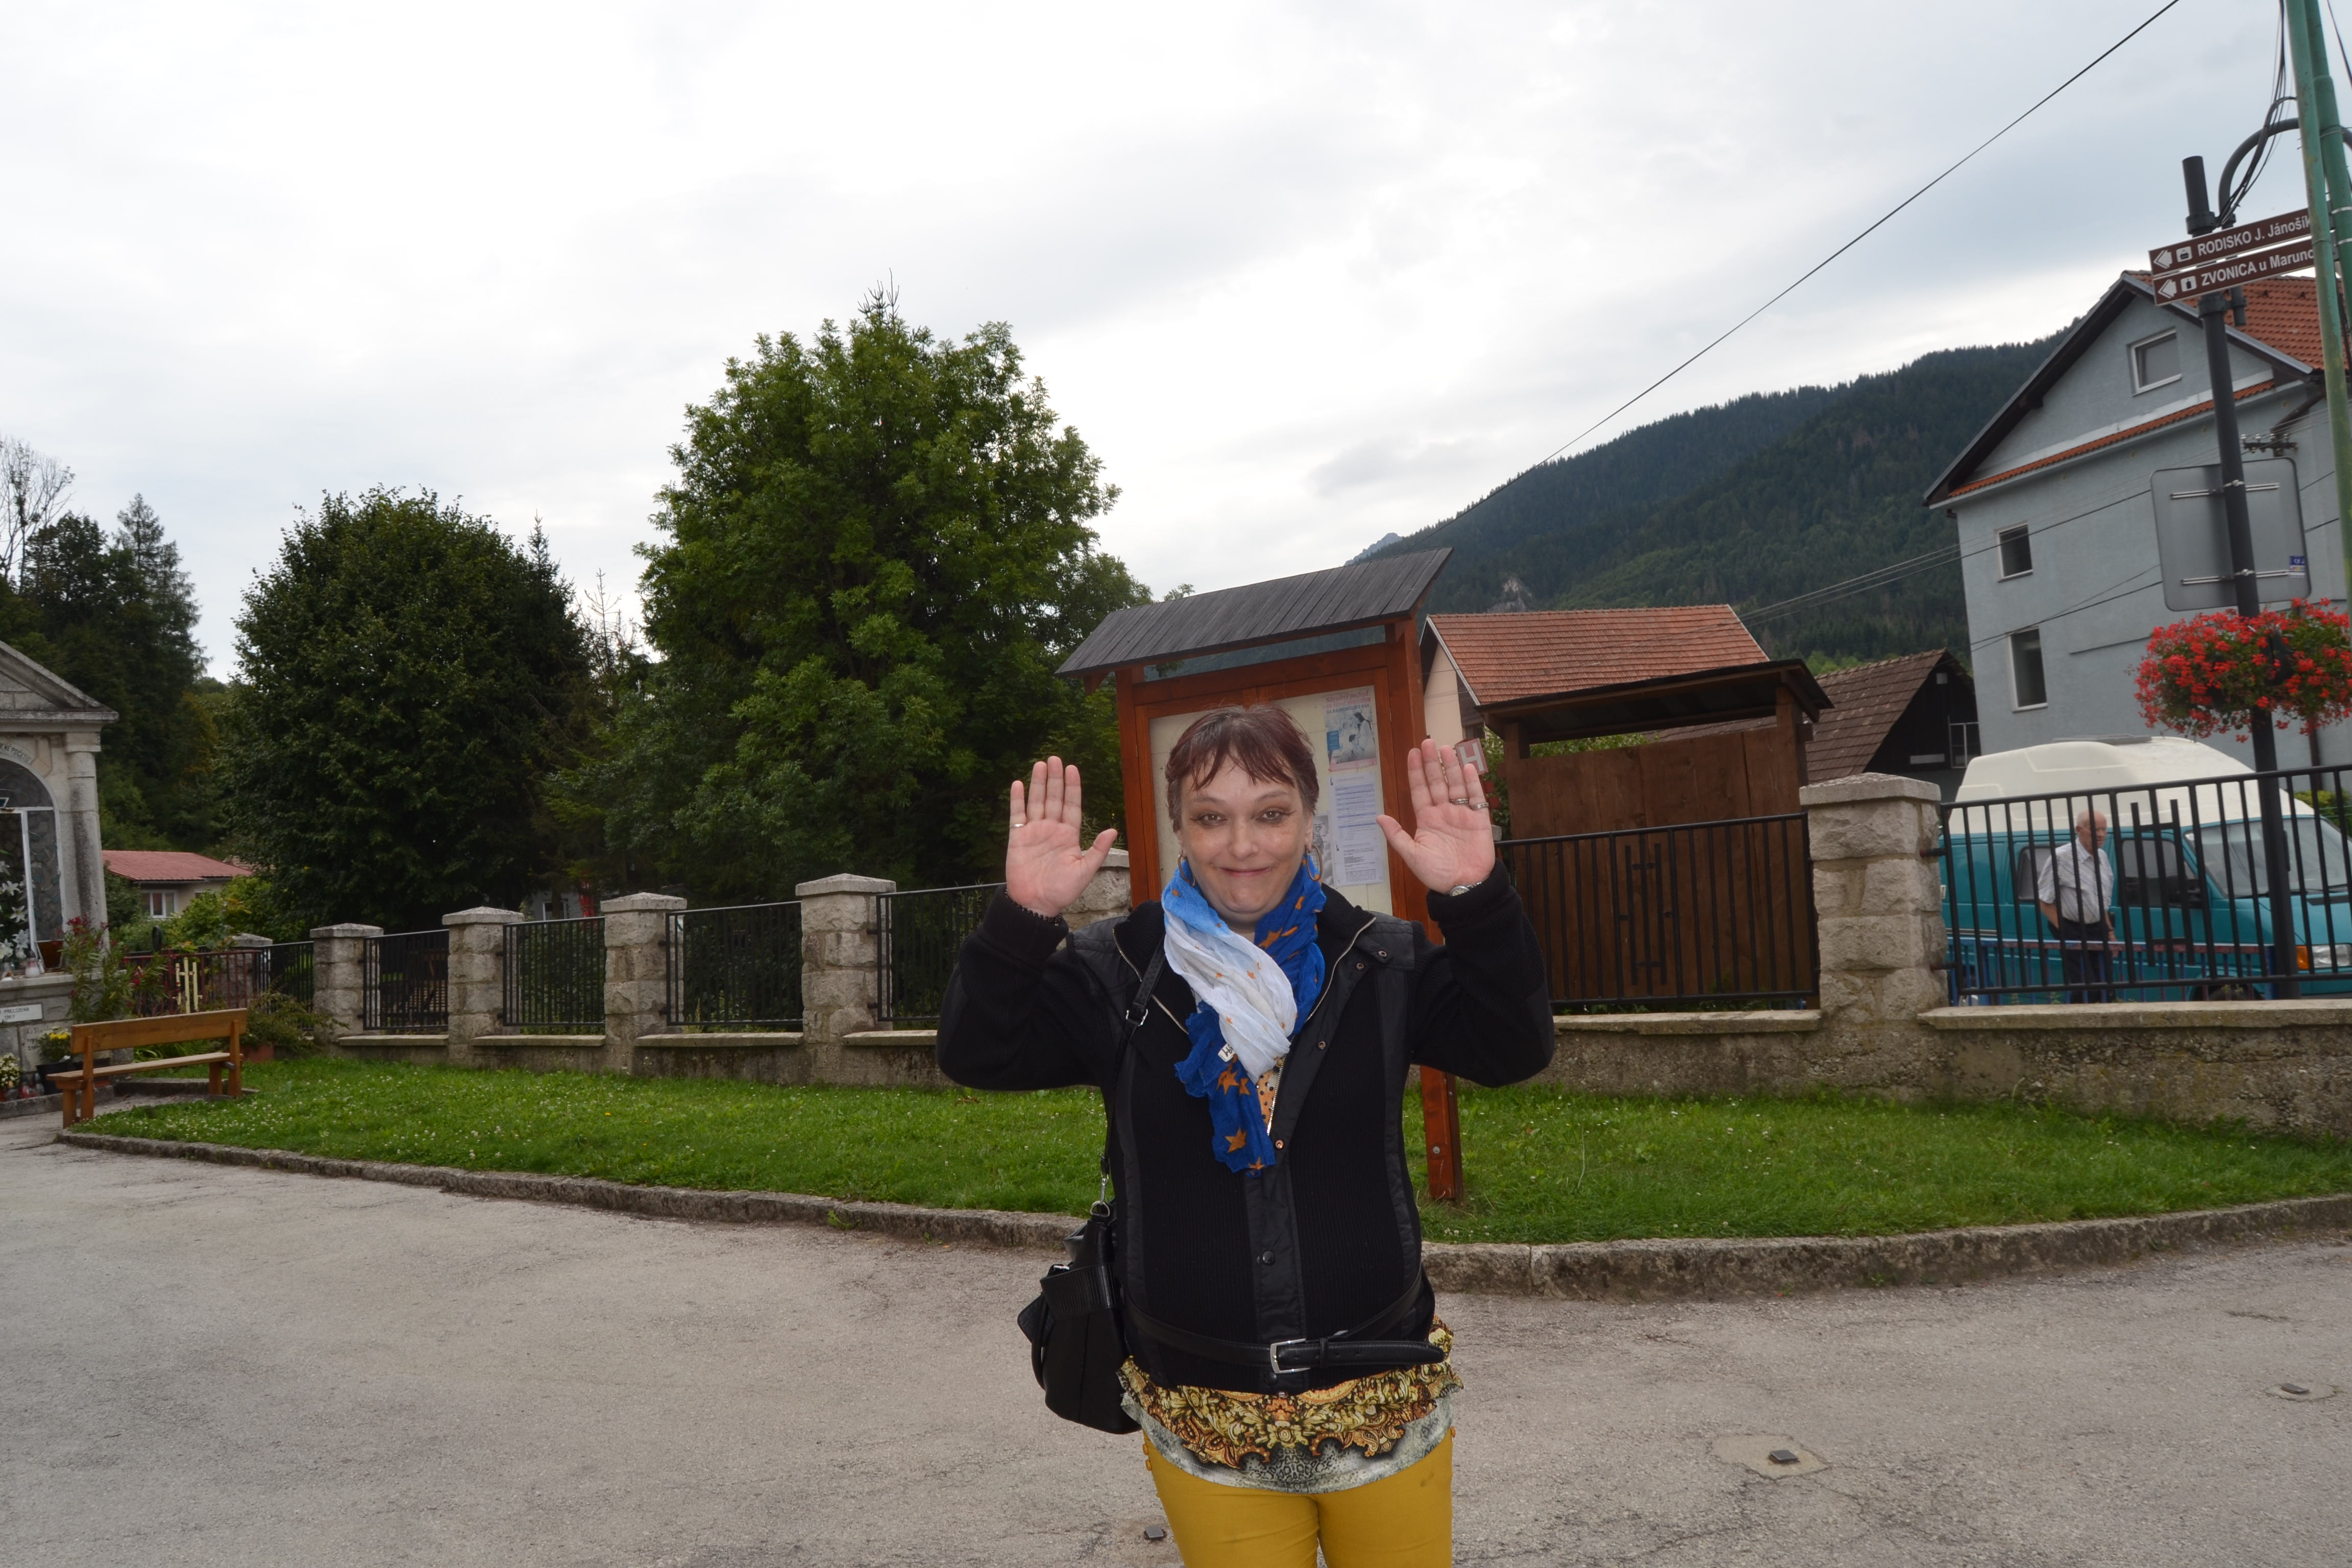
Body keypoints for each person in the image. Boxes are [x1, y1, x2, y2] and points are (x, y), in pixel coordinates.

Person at [937, 705, 1554, 1567]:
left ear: (1307, 821)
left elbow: (1513, 1046)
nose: (1241, 845)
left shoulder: (1376, 959)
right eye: (1210, 817)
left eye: (1269, 813)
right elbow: (977, 1052)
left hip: (1381, 1389)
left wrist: (1477, 900)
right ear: (1180, 830)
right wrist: (1023, 915)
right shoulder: (1119, 970)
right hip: (1202, 1406)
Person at [2035, 808, 2116, 1003]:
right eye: (2095, 829)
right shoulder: (2062, 857)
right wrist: (2066, 932)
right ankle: (2080, 1019)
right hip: (2072, 927)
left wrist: (2110, 932)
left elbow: (2101, 901)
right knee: (2085, 985)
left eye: (2104, 829)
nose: (2101, 834)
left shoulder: (2102, 857)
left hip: (2098, 928)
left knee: (2106, 985)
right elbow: (2044, 900)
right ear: (2079, 830)